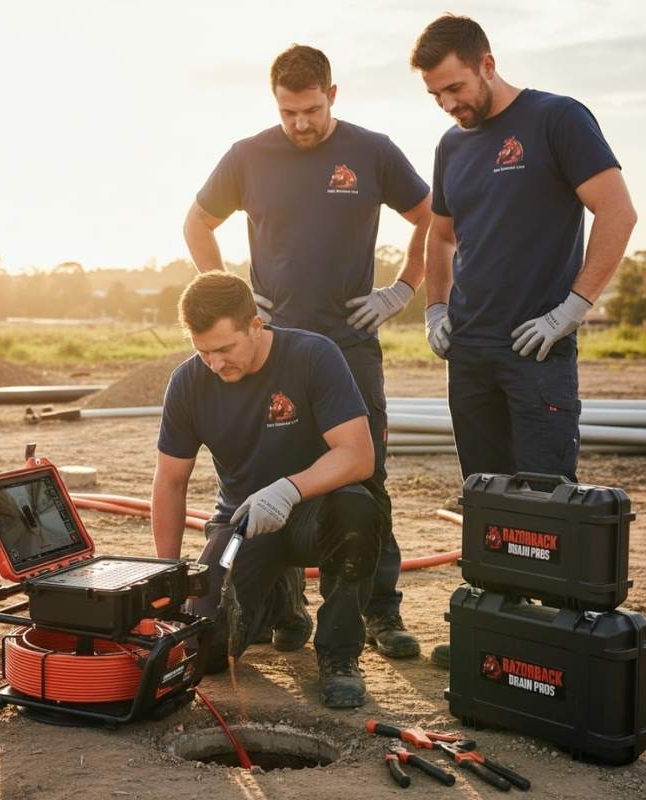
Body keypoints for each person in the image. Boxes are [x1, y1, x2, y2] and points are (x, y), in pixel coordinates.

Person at [183, 44, 432, 659]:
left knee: (365, 477)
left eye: (312, 110)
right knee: (270, 471)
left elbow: (432, 216)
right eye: (288, 112)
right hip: (271, 348)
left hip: (349, 343)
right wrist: (233, 296)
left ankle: (380, 611)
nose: (300, 123)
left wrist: (403, 289)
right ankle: (285, 602)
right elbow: (197, 223)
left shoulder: (371, 151)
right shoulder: (248, 156)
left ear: (332, 96)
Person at [409, 14, 638, 667]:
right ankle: (492, 632)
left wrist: (574, 308)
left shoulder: (556, 119)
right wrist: (434, 307)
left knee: (545, 499)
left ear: (486, 63)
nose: (448, 104)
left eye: (455, 87)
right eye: (435, 95)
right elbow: (441, 236)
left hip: (537, 348)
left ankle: (556, 641)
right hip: (470, 350)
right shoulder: (452, 146)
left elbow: (618, 211)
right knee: (486, 499)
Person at [151, 271, 383, 708]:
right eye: (203, 352)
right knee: (208, 651)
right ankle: (282, 601)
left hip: (316, 512)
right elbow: (170, 481)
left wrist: (289, 489)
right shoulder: (188, 383)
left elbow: (357, 455)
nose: (215, 364)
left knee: (358, 511)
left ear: (255, 325)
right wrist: (169, 575)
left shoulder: (313, 356)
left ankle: (339, 654)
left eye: (225, 349)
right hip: (242, 522)